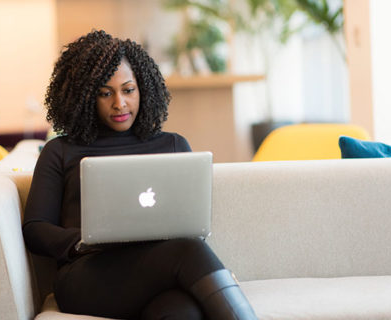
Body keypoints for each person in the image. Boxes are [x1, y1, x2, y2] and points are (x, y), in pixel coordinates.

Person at [23, 30, 257, 320]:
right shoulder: (60, 150)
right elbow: (35, 228)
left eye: (128, 90)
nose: (119, 103)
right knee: (189, 252)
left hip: (160, 271)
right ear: (84, 97)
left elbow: (189, 220)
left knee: (181, 311)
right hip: (88, 277)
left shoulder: (173, 145)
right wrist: (83, 241)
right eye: (105, 93)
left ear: (143, 88)